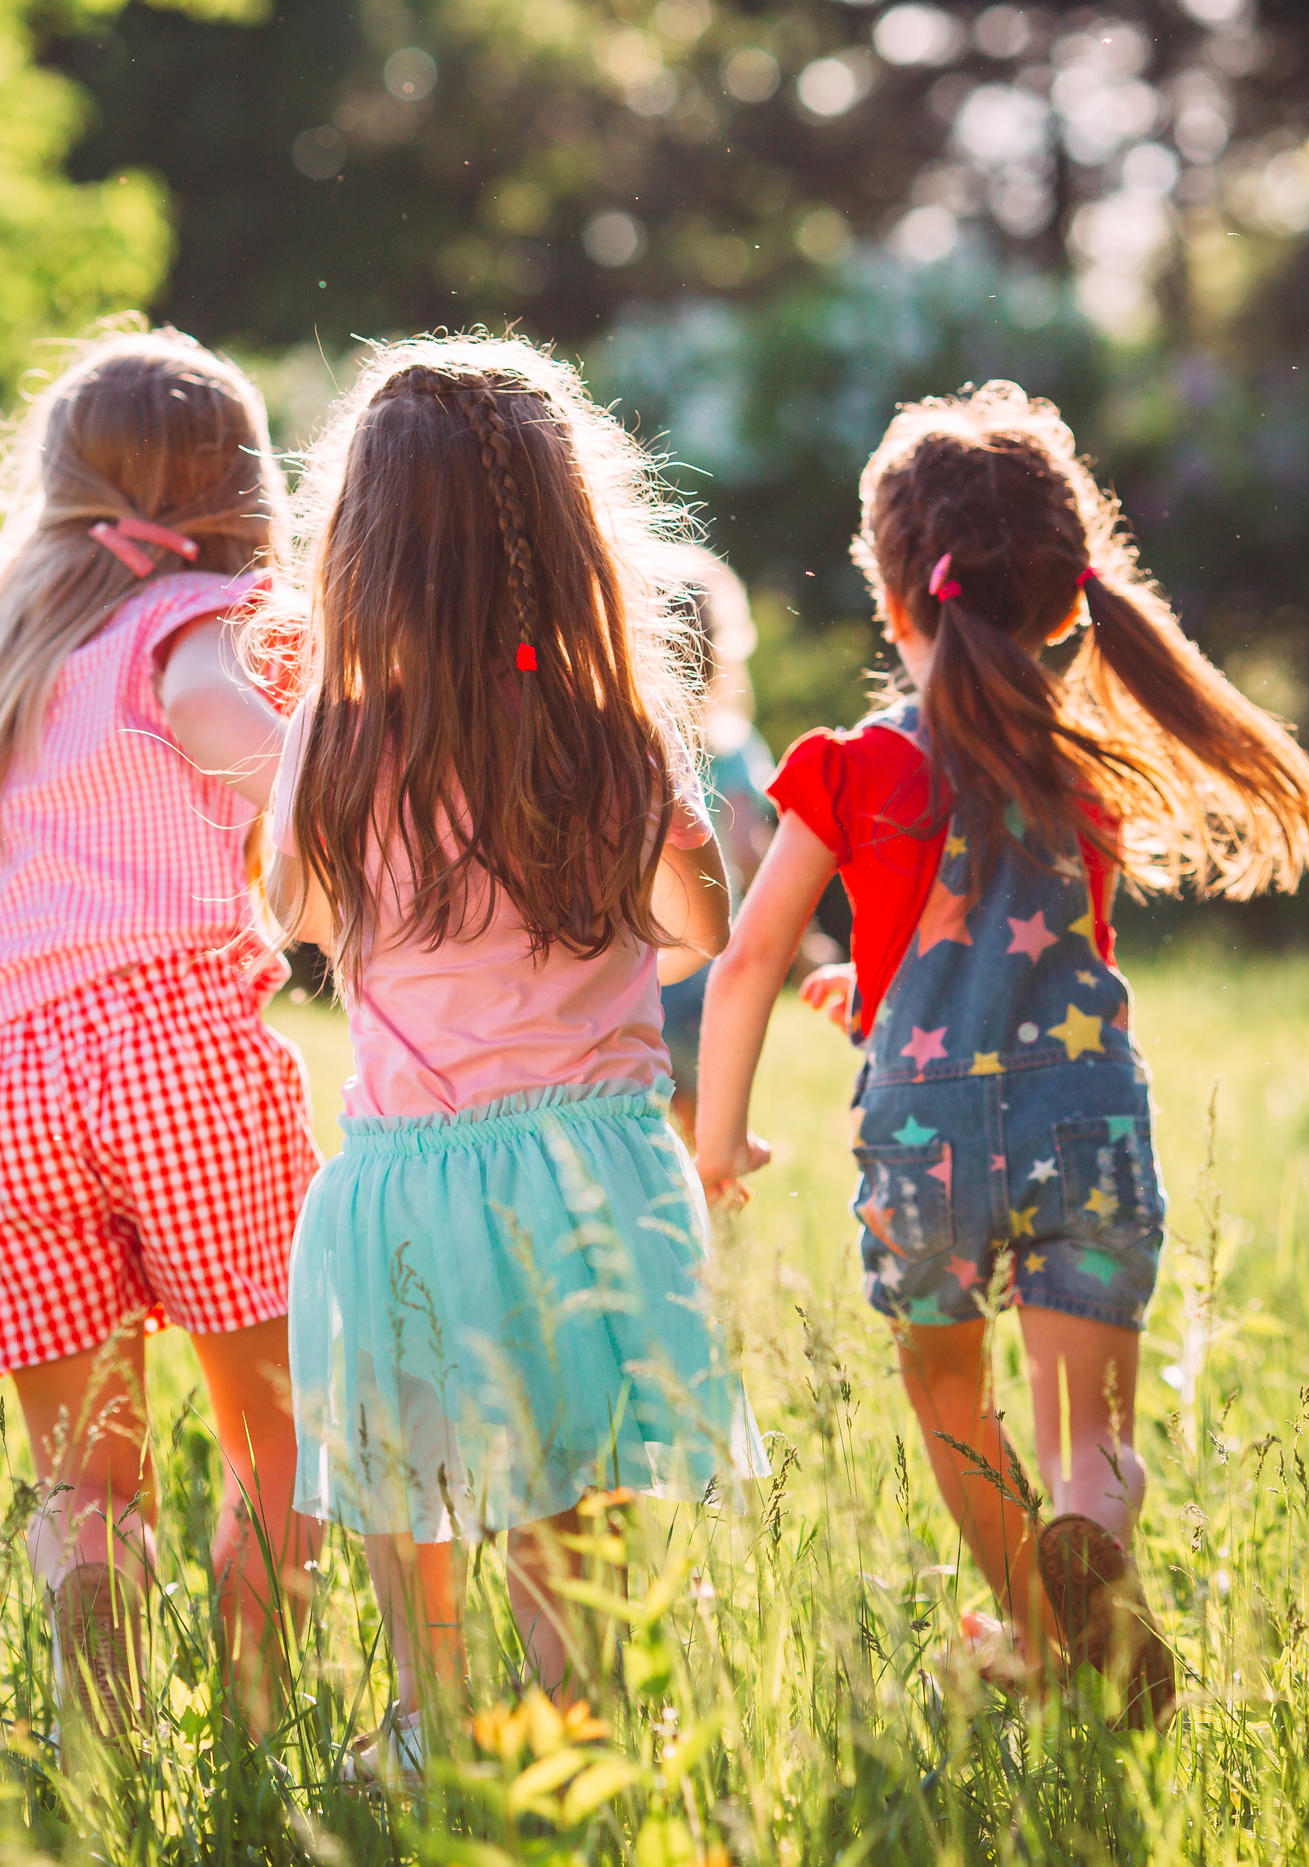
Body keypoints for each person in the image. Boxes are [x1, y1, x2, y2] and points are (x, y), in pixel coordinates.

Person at [694, 383, 1309, 1727]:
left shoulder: (847, 764)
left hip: (923, 1136)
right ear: (1063, 601)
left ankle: (1042, 1638)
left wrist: (719, 1135)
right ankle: (1089, 1522)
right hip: (1083, 1118)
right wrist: (883, 998)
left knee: (947, 1392)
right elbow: (1016, 951)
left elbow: (749, 955)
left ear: (895, 594)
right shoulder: (1082, 758)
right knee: (1087, 1436)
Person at [262, 336, 766, 1778]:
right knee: (575, 1475)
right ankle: (572, 1716)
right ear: (567, 534)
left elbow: (300, 918)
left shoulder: (341, 747)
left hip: (412, 1172)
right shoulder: (613, 732)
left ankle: (427, 1719)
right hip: (597, 1160)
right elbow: (698, 926)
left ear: (359, 551)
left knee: (408, 1473)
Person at [0, 328, 323, 1743]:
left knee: (87, 1475)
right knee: (276, 1428)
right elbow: (216, 724)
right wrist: (344, 802)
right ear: (243, 487)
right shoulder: (197, 622)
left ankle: (99, 1728)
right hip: (174, 1046)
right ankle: (252, 1727)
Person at [647, 542, 780, 1143]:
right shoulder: (731, 748)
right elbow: (753, 850)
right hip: (710, 962)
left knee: (641, 1103)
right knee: (702, 1114)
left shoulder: (628, 744)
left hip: (640, 958)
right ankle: (712, 1193)